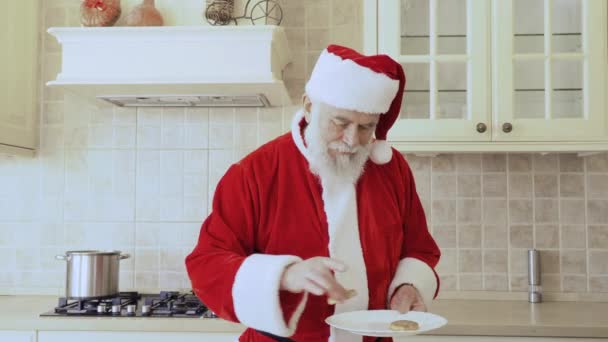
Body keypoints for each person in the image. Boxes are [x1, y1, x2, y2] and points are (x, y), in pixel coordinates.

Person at [185, 44, 441, 342]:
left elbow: (419, 248)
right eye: (340, 122)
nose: (351, 140)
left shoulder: (391, 168)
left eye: (366, 127)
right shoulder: (255, 172)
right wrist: (284, 274)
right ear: (309, 106)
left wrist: (407, 286)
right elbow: (207, 264)